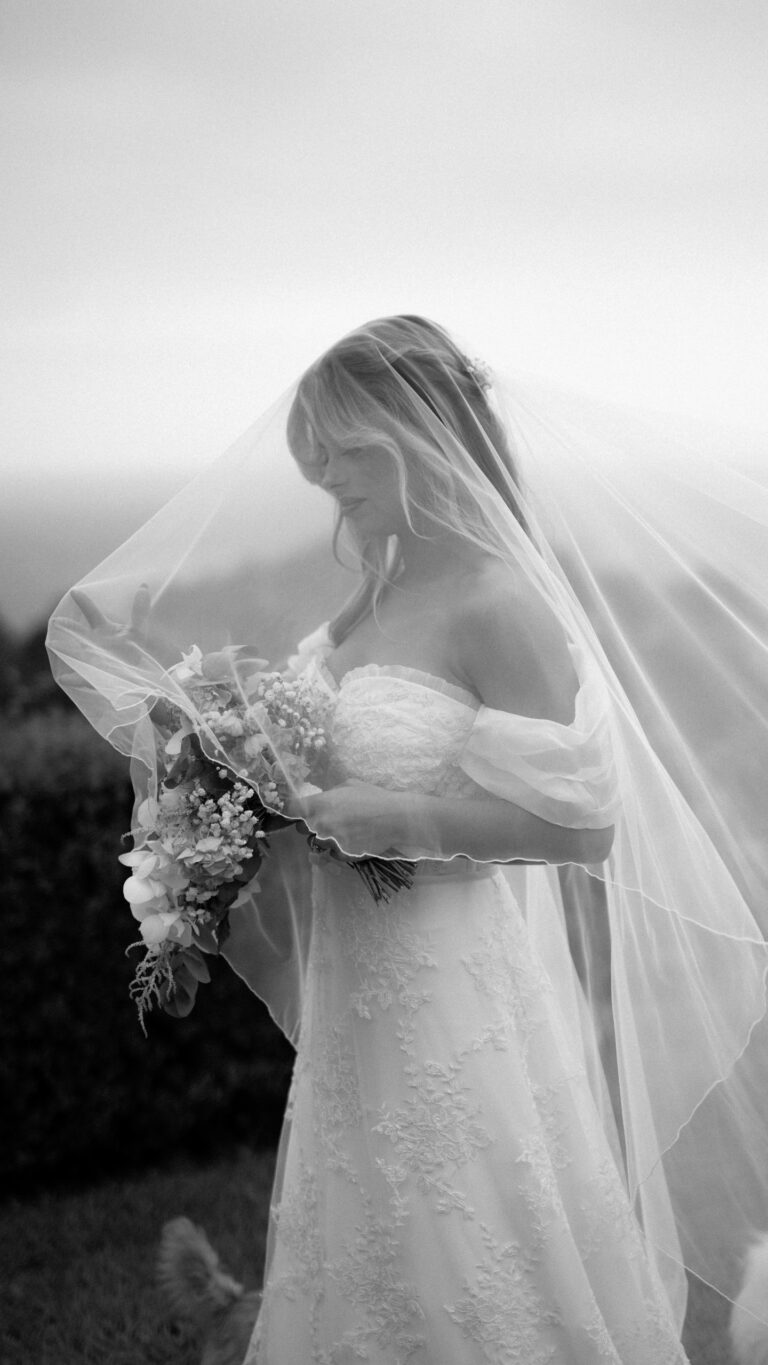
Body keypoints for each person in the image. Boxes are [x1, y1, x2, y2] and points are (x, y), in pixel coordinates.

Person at [48, 316, 768, 1362]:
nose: (327, 477)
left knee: (472, 1246)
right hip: (358, 989)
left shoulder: (499, 600)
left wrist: (407, 820)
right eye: (319, 456)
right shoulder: (377, 583)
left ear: (421, 437)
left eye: (346, 451)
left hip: (452, 986)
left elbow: (584, 827)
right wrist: (229, 799)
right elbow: (322, 763)